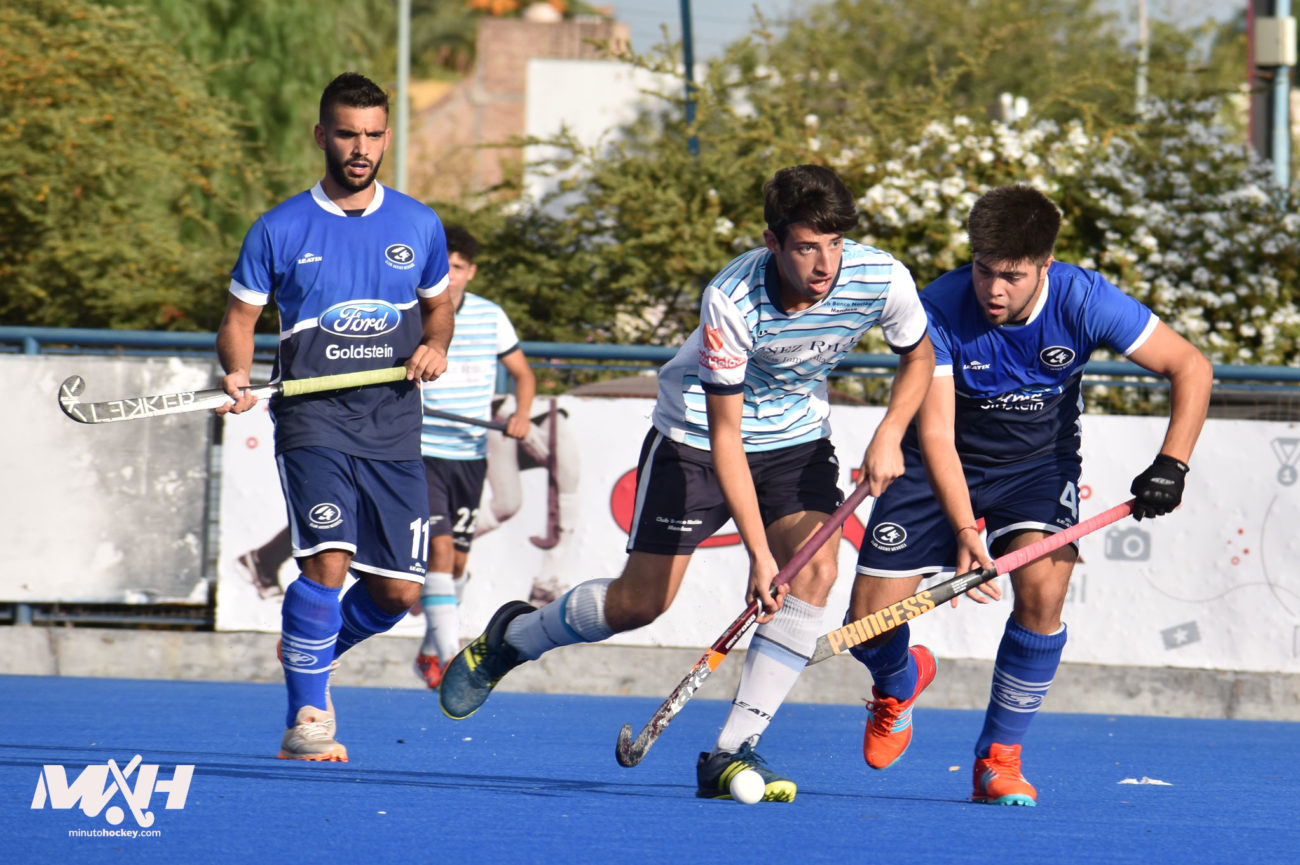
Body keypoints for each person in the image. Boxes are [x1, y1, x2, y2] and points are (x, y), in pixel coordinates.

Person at [438, 164, 936, 802]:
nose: (825, 265)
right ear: (773, 242)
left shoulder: (880, 277)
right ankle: (513, 639)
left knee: (814, 570)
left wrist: (891, 429)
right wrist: (759, 556)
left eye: (835, 244)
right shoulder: (732, 298)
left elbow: (918, 355)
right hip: (696, 440)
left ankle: (732, 751)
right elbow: (727, 437)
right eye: (807, 247)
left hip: (795, 442)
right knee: (639, 604)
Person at [848, 184, 1212, 806]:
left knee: (1044, 589)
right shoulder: (936, 307)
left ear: (1045, 264)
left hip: (1036, 467)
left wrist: (1172, 463)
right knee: (866, 628)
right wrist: (966, 531)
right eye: (983, 270)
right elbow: (935, 434)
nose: (993, 290)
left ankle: (999, 758)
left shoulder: (1084, 298)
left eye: (1012, 276)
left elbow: (1191, 366)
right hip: (936, 465)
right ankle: (900, 682)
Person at [215, 72, 455, 762]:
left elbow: (439, 307)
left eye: (373, 135)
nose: (361, 148)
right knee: (327, 562)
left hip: (394, 425)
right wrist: (237, 373)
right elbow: (239, 321)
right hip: (313, 420)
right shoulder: (280, 227)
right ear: (323, 135)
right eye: (348, 134)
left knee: (397, 592)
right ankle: (307, 717)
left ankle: (313, 650)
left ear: (387, 137)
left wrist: (436, 345)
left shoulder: (418, 224)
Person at [415, 225, 536, 689]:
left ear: (471, 272)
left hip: (470, 454)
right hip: (422, 451)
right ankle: (450, 658)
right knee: (440, 550)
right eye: (442, 265)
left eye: (458, 267)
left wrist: (521, 414)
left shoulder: (491, 316)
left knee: (459, 563)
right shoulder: (412, 313)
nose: (449, 274)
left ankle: (429, 649)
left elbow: (522, 375)